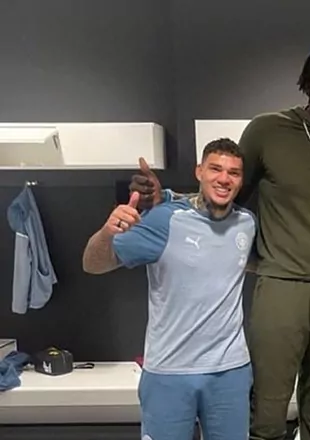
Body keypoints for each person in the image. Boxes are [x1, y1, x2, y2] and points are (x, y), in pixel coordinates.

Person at [128, 25, 310, 440]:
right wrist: (167, 199)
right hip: (281, 287)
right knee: (267, 415)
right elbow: (225, 191)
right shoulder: (268, 130)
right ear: (309, 74)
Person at [82, 138, 256, 440]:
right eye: (215, 169)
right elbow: (92, 264)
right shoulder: (165, 219)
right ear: (199, 171)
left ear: (241, 180)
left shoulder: (247, 223)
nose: (224, 179)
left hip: (230, 371)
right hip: (169, 372)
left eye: (234, 173)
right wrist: (107, 233)